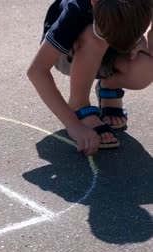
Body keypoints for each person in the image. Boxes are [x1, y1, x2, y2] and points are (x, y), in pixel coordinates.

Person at [27, 0, 153, 155]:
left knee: (147, 62)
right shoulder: (77, 9)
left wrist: (144, 37)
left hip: (116, 41)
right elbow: (36, 71)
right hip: (70, 53)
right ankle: (79, 104)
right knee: (94, 37)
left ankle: (110, 85)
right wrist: (73, 125)